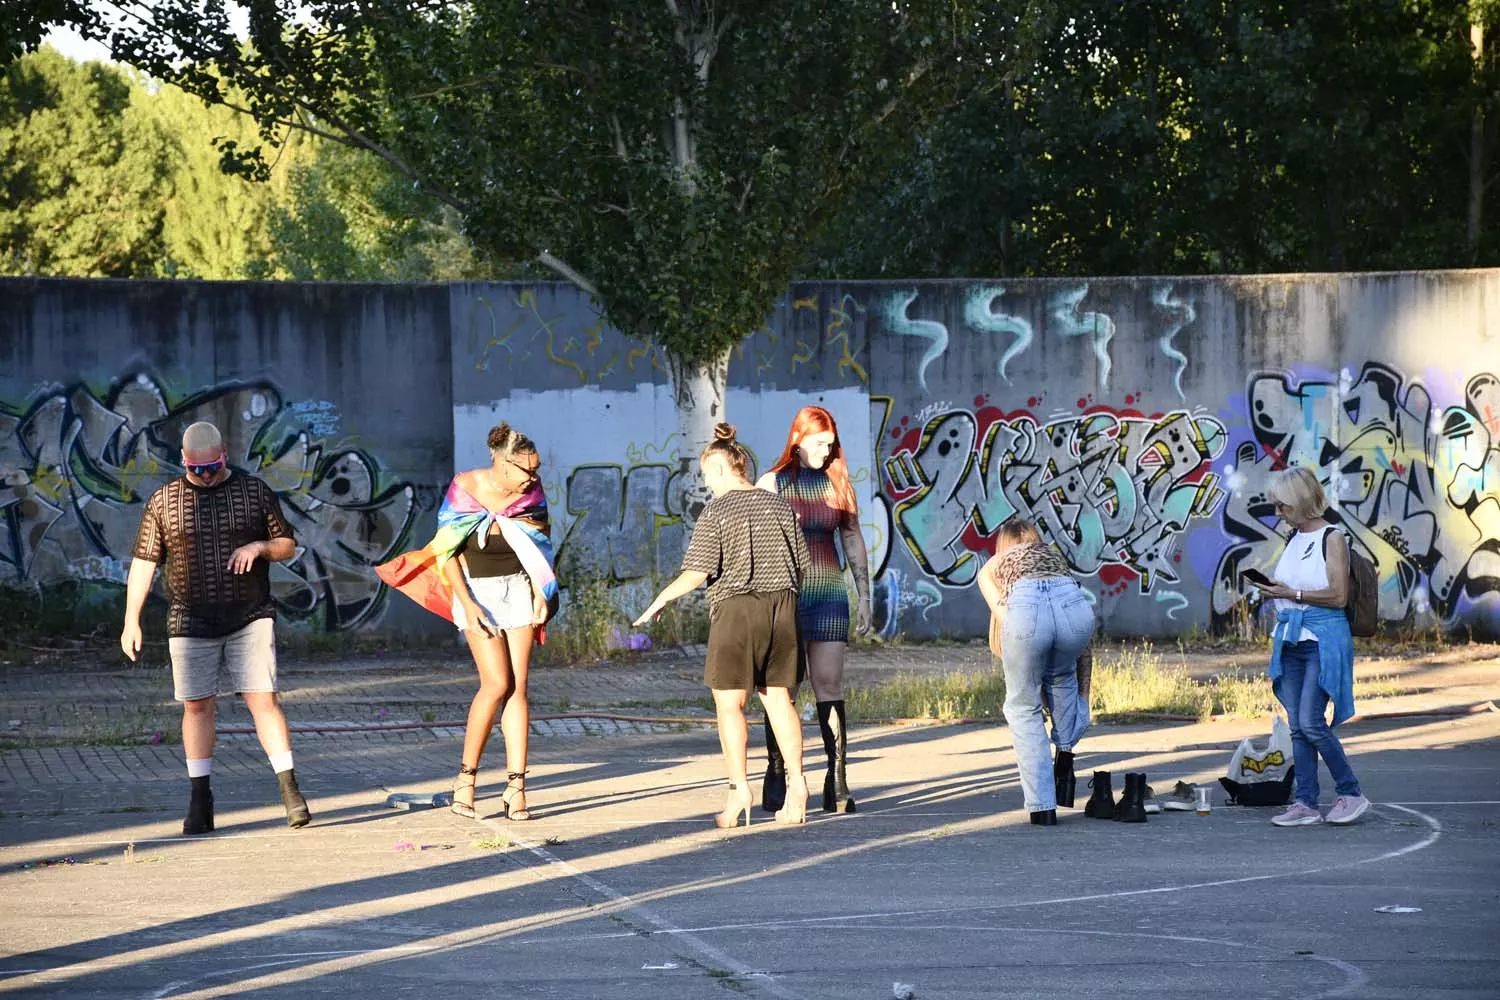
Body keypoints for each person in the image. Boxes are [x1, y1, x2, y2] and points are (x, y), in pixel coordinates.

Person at [120, 420, 309, 835]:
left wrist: (259, 546)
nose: (204, 477)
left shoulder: (253, 491)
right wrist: (131, 619)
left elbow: (287, 544)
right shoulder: (163, 501)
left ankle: (290, 790)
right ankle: (199, 797)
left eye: (213, 468)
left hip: (250, 614)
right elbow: (144, 563)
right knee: (196, 706)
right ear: (183, 462)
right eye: (196, 470)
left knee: (264, 700)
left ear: (225, 455)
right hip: (189, 619)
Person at [376, 423, 557, 821]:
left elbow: (540, 548)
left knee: (520, 687)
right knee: (496, 683)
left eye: (536, 470)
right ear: (501, 462)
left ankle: (516, 788)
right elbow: (447, 551)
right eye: (525, 471)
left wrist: (540, 595)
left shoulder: (531, 492)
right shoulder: (466, 488)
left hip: (519, 590)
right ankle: (466, 780)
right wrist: (467, 603)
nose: (532, 479)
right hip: (477, 592)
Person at [635, 423, 812, 827]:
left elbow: (697, 572)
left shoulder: (716, 510)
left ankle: (739, 791)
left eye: (705, 475)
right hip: (783, 607)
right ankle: (798, 784)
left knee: (729, 705)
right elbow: (802, 565)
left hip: (736, 611)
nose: (706, 483)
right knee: (779, 701)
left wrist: (660, 599)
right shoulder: (780, 506)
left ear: (717, 470)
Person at [756, 405, 871, 814]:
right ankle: (777, 771)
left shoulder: (837, 482)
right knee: (782, 688)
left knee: (829, 684)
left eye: (831, 444)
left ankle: (836, 779)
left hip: (828, 592)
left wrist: (864, 594)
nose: (828, 451)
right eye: (821, 443)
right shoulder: (773, 482)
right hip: (783, 594)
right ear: (798, 439)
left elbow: (853, 537)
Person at [1254, 466, 1369, 827]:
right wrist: (1276, 590)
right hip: (1292, 639)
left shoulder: (1332, 537)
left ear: (1302, 502)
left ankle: (1351, 792)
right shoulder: (1294, 539)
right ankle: (1305, 802)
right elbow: (1295, 587)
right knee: (1298, 727)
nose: (1278, 513)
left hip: (1322, 639)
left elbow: (1338, 596)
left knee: (1311, 722)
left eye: (1283, 506)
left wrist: (1291, 593)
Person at [976, 520, 1096, 826]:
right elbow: (1085, 649)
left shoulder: (1003, 559)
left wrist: (1008, 618)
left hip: (1026, 611)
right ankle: (1066, 753)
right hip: (1075, 610)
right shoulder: (1053, 557)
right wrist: (1083, 699)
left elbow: (983, 576)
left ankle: (1043, 808)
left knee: (1023, 708)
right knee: (1062, 679)